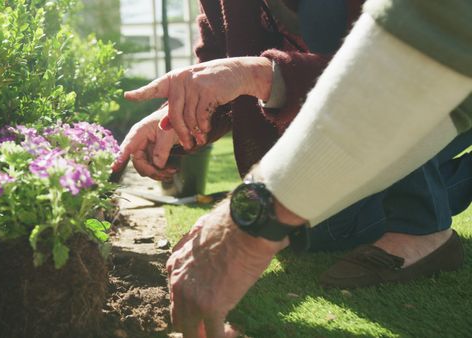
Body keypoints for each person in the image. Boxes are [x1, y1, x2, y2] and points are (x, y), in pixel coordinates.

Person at [114, 0, 472, 336]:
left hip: (450, 81)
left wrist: (256, 75)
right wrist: (180, 116)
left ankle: (422, 227)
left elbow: (405, 66)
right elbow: (217, 63)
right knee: (320, 229)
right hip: (391, 93)